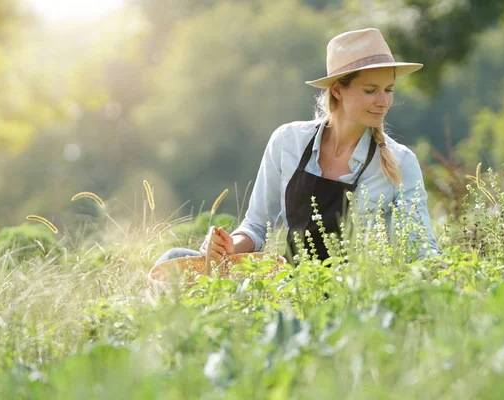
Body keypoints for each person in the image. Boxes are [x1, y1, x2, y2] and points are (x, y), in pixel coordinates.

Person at [154, 28, 439, 268]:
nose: (384, 101)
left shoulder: (400, 162)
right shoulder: (288, 141)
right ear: (338, 90)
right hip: (291, 288)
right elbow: (255, 227)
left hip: (351, 300)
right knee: (173, 259)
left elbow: (420, 252)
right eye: (370, 90)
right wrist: (228, 246)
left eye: (388, 89)